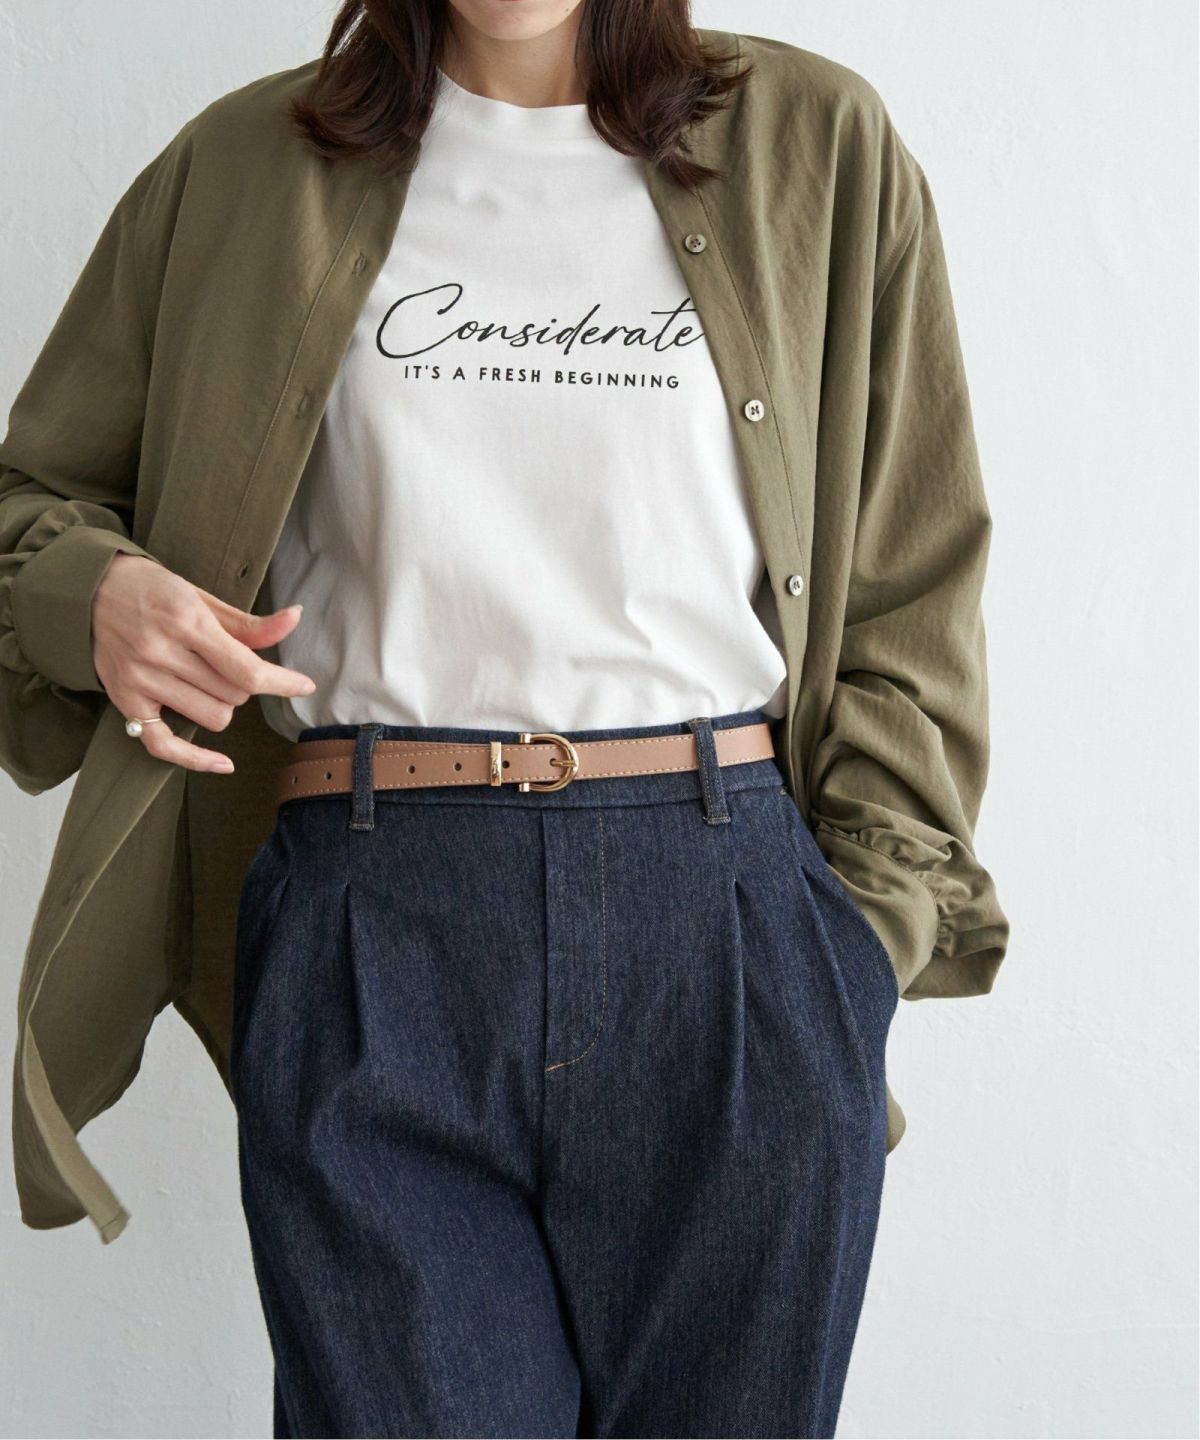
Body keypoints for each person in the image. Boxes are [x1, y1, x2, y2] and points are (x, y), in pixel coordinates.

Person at [0, 2, 1010, 1436]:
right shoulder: (241, 169)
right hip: (376, 920)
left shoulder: (820, 147)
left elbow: (914, 574)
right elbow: (29, 503)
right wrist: (94, 594)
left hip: (728, 926)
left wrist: (857, 944)